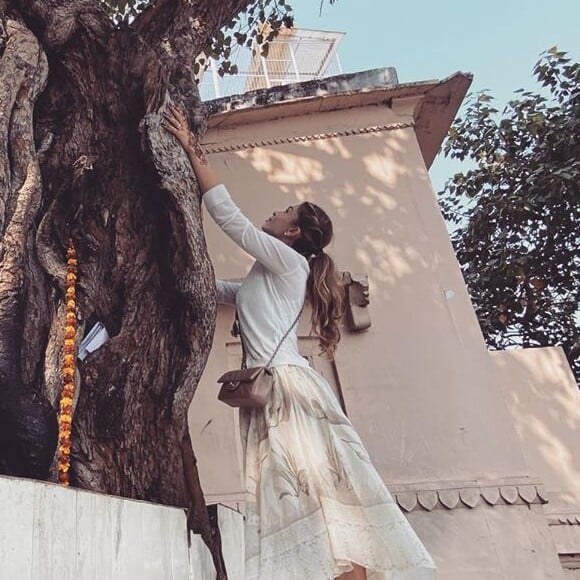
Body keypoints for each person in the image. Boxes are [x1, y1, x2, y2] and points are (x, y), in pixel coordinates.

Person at [163, 104, 437, 580]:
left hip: (288, 393)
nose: (275, 211)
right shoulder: (271, 272)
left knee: (321, 501)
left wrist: (191, 149)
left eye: (284, 212)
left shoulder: (289, 264)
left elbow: (234, 222)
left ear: (291, 234)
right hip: (278, 393)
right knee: (305, 502)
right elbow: (225, 291)